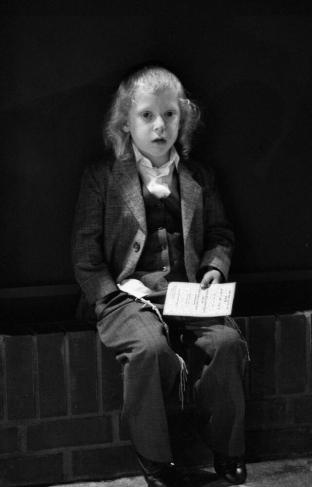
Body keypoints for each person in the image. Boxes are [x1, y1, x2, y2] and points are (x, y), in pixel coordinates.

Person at [72, 64, 248, 487]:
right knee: (150, 350)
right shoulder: (103, 178)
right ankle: (156, 459)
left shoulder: (197, 177)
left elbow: (221, 233)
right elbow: (85, 251)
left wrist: (212, 268)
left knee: (227, 343)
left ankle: (228, 450)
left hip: (185, 293)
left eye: (169, 115)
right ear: (125, 123)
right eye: (147, 115)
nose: (159, 126)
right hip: (126, 295)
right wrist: (106, 296)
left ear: (182, 119)